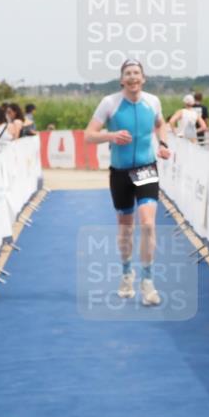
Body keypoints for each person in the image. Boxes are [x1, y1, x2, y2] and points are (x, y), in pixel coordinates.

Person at [84, 58, 171, 306]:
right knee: (126, 228)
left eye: (137, 73)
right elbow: (89, 135)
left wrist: (163, 144)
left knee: (148, 224)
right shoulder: (109, 103)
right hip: (120, 172)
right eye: (128, 73)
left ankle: (148, 281)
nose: (133, 77)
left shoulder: (152, 101)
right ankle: (126, 274)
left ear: (143, 79)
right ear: (122, 79)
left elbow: (160, 124)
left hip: (146, 169)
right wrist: (111, 135)